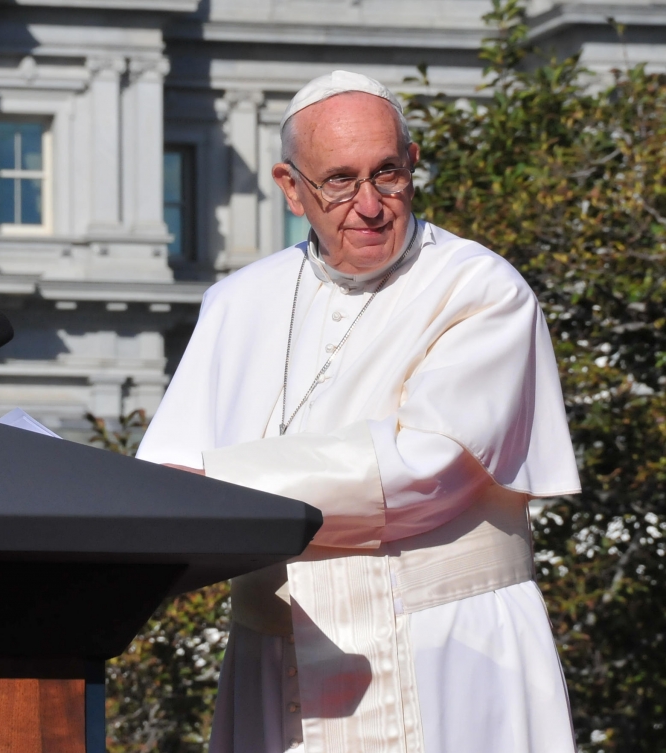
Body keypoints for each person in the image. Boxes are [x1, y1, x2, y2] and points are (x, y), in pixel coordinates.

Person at [136, 70, 580, 753]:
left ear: (414, 168)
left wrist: (211, 482)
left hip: (445, 650)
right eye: (339, 180)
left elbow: (428, 465)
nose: (369, 204)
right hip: (278, 655)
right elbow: (166, 478)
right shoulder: (237, 302)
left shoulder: (481, 288)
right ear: (291, 188)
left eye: (389, 174)